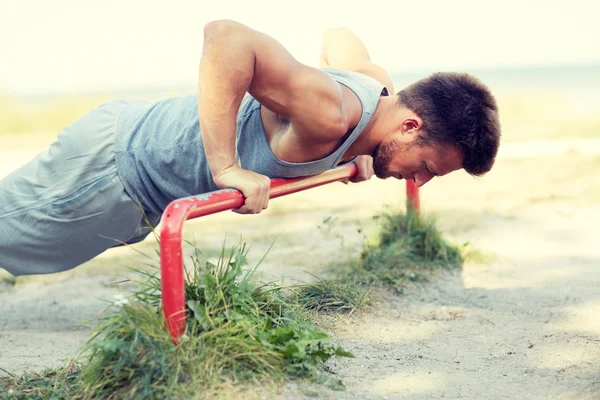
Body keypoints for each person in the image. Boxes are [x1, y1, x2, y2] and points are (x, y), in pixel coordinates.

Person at [0, 20, 500, 277]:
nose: (418, 182)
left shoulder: (377, 90)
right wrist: (226, 167)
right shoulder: (332, 112)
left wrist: (365, 150)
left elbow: (338, 36)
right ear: (411, 126)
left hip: (131, 166)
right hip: (110, 171)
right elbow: (226, 38)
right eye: (428, 168)